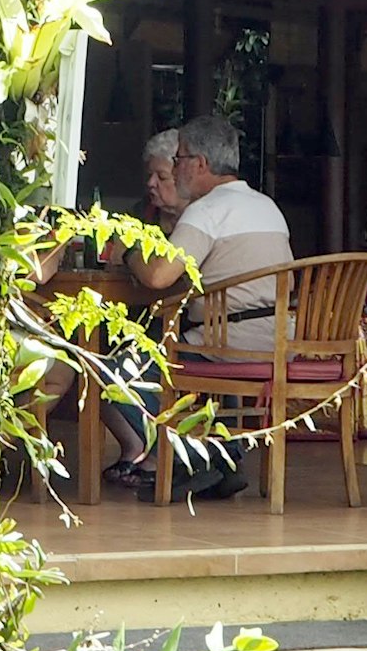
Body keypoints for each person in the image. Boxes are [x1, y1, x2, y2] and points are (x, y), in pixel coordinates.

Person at [120, 115, 292, 499]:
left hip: (228, 340)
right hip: (280, 338)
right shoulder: (267, 206)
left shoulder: (208, 210)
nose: (175, 167)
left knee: (118, 369)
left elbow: (159, 276)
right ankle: (219, 458)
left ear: (200, 164)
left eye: (179, 159)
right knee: (178, 347)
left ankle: (204, 457)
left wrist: (126, 253)